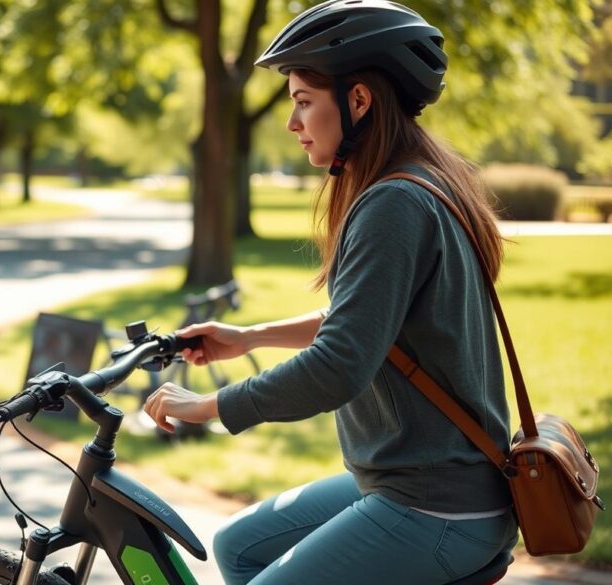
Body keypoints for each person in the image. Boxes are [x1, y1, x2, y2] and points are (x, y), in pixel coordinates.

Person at [142, 1, 518, 583]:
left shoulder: (394, 203)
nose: (292, 123)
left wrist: (210, 405)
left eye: (303, 101)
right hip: (427, 479)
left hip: (436, 503)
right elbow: (366, 320)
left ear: (359, 100)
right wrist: (249, 338)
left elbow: (340, 364)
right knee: (239, 547)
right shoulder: (424, 181)